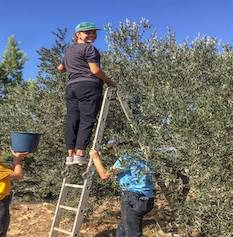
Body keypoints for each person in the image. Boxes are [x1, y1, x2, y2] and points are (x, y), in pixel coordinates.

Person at [58, 21, 116, 166]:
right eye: (88, 32)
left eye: (93, 32)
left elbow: (60, 68)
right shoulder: (89, 49)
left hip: (71, 87)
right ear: (78, 34)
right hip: (88, 86)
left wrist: (74, 67)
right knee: (86, 119)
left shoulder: (69, 50)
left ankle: (70, 154)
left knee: (72, 118)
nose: (92, 35)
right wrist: (109, 81)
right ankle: (80, 153)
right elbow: (95, 70)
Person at [89, 148, 155, 237]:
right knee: (123, 229)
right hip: (148, 198)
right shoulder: (146, 156)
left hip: (133, 198)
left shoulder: (127, 157)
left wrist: (95, 158)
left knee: (132, 233)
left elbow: (104, 175)